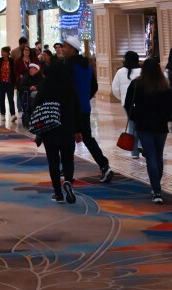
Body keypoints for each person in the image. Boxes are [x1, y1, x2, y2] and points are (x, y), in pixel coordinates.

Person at [29, 56, 82, 203]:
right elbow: (77, 110)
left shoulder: (46, 86)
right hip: (67, 128)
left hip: (50, 129)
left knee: (53, 161)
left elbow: (36, 104)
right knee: (68, 160)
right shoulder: (70, 87)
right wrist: (78, 130)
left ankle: (58, 193)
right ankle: (68, 182)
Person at [61, 36, 113, 183]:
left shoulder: (68, 65)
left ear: (72, 48)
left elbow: (65, 88)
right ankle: (104, 166)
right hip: (84, 108)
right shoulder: (88, 65)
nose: (63, 49)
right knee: (88, 138)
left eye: (65, 46)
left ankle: (66, 169)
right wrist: (84, 99)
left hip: (70, 109)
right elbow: (94, 87)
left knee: (67, 139)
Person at [126, 57, 172, 202]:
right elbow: (170, 107)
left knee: (151, 156)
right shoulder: (164, 85)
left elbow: (128, 103)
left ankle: (157, 190)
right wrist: (166, 117)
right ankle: (156, 186)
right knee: (158, 155)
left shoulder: (137, 84)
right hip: (160, 126)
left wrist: (134, 116)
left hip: (144, 125)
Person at [111, 49, 142, 159]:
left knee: (132, 125)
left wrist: (122, 99)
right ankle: (141, 145)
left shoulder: (120, 72)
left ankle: (134, 152)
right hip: (141, 103)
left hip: (127, 104)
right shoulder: (141, 71)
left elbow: (115, 88)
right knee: (141, 124)